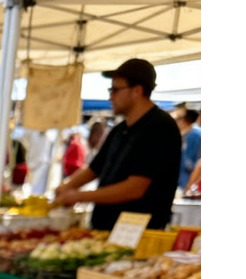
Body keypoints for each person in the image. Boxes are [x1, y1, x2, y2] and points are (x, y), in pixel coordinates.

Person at [53, 58, 181, 231]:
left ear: (136, 91)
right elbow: (94, 169)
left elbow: (135, 188)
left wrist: (78, 195)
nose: (110, 97)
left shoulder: (160, 127)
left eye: (115, 90)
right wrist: (66, 187)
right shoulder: (119, 129)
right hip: (104, 226)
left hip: (138, 231)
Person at [174, 106, 201, 194]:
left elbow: (199, 165)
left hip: (188, 187)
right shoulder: (183, 135)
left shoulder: (195, 135)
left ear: (184, 120)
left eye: (177, 118)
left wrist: (189, 188)